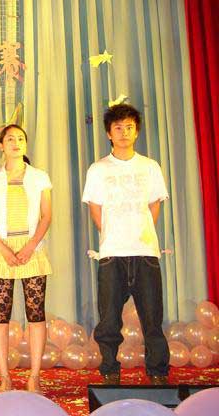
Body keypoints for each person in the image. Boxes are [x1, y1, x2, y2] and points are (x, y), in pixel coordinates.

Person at [82, 104, 170, 385]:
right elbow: (95, 209)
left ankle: (158, 373)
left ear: (137, 131)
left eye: (129, 127)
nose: (124, 132)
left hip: (145, 252)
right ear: (109, 133)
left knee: (152, 318)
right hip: (112, 253)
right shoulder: (98, 169)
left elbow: (154, 205)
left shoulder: (150, 166)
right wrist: (113, 234)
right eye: (118, 128)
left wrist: (140, 233)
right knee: (109, 319)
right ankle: (110, 369)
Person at [0, 125, 52, 393]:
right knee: (0, 313)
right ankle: (4, 377)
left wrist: (30, 247)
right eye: (10, 139)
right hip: (2, 250)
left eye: (20, 138)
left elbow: (46, 215)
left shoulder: (40, 177)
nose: (16, 142)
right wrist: (3, 249)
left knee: (36, 311)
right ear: (1, 145)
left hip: (32, 248)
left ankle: (34, 376)